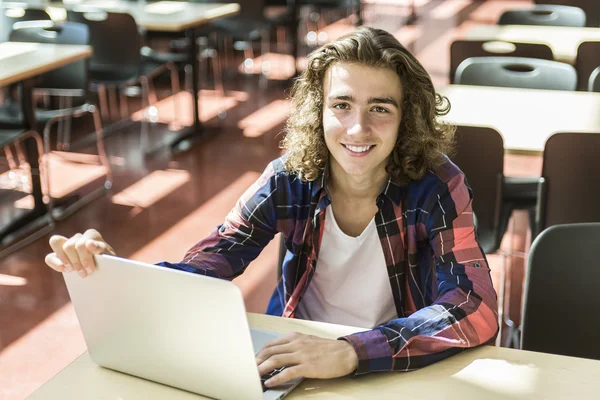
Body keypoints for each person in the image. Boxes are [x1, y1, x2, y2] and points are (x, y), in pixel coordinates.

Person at [44, 27, 498, 388]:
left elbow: (475, 306)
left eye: (380, 108)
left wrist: (351, 351)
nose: (358, 128)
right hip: (295, 358)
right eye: (342, 105)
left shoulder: (438, 185)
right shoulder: (287, 178)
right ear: (318, 110)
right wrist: (117, 272)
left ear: (407, 118)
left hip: (394, 360)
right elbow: (209, 262)